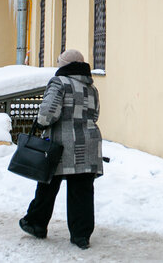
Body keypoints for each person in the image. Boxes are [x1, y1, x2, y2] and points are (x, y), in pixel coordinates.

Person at [19, 49, 103, 249]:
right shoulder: (92, 87)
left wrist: (40, 124)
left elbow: (48, 113)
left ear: (64, 65)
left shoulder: (59, 83)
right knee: (81, 190)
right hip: (89, 142)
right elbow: (96, 114)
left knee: (47, 183)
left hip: (61, 144)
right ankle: (81, 235)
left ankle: (36, 223)